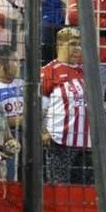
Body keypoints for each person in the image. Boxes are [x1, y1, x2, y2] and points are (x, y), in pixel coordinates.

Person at [41, 26, 92, 183]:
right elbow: (39, 107)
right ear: (59, 45)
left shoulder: (86, 72)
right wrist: (43, 132)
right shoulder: (48, 72)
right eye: (73, 44)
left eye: (80, 44)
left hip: (86, 142)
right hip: (59, 140)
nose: (78, 48)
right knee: (59, 186)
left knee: (84, 189)